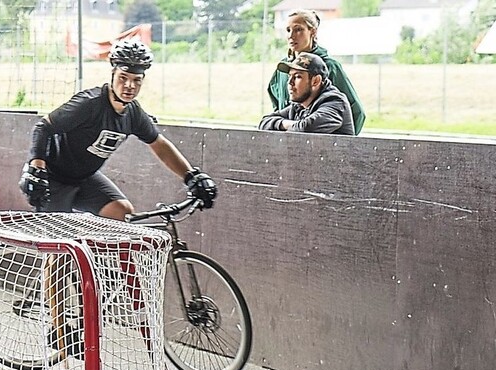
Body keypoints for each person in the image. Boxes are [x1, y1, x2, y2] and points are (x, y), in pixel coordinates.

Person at [18, 39, 218, 220]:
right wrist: (37, 168)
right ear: (113, 74)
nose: (129, 85)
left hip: (84, 178)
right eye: (123, 78)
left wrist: (190, 176)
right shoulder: (89, 103)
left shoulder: (133, 113)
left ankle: (88, 256)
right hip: (53, 178)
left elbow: (159, 144)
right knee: (59, 251)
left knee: (122, 212)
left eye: (136, 80)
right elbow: (43, 127)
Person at [267, 9, 365, 135]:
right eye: (288, 30)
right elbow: (275, 109)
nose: (291, 36)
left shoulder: (329, 67)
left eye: (298, 30)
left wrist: (346, 144)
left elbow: (355, 112)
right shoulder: (281, 70)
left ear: (313, 31)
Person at [258, 52, 354, 135]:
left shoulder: (335, 102)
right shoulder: (299, 106)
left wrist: (286, 125)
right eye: (289, 77)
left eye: (297, 77)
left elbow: (307, 128)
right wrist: (286, 124)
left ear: (316, 81)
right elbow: (264, 122)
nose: (290, 82)